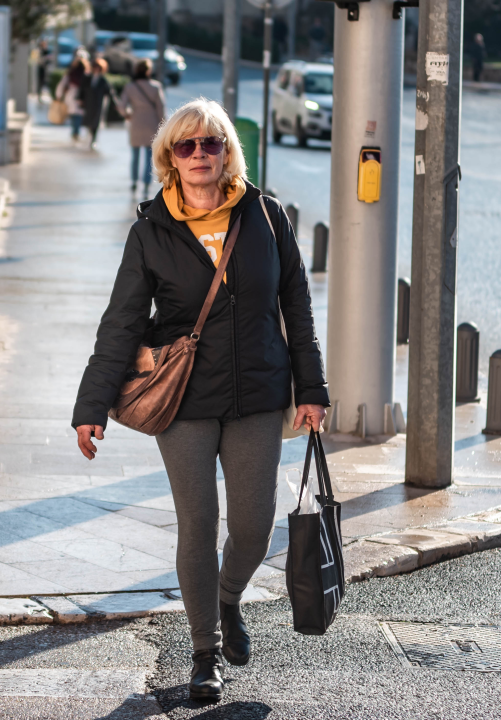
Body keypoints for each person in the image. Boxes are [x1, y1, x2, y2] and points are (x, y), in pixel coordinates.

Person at [72, 98, 328, 702]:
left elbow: (297, 307)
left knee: (254, 525)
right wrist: (90, 407)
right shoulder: (151, 233)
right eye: (185, 146)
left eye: (210, 143)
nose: (198, 155)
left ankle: (228, 597)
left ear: (226, 151)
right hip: (183, 401)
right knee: (198, 524)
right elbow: (121, 324)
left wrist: (312, 388)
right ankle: (204, 652)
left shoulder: (267, 215)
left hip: (260, 395)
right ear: (169, 157)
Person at [120, 59, 166, 196]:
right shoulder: (156, 86)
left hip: (136, 122)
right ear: (148, 71)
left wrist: (127, 114)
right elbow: (161, 108)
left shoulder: (130, 87)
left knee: (135, 155)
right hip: (151, 123)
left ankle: (134, 181)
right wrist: (164, 124)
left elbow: (122, 105)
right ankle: (146, 182)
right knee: (148, 155)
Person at [56, 50, 89, 143]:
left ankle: (75, 132)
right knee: (77, 115)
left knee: (75, 115)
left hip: (72, 96)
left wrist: (59, 96)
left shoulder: (71, 72)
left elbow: (62, 84)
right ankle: (76, 132)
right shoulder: (84, 74)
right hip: (77, 97)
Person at [82, 57, 115, 150]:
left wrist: (115, 104)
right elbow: (82, 90)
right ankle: (90, 135)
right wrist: (80, 99)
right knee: (88, 120)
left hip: (98, 103)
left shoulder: (103, 80)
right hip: (88, 103)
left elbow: (110, 92)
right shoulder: (88, 78)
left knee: (96, 121)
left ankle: (93, 139)